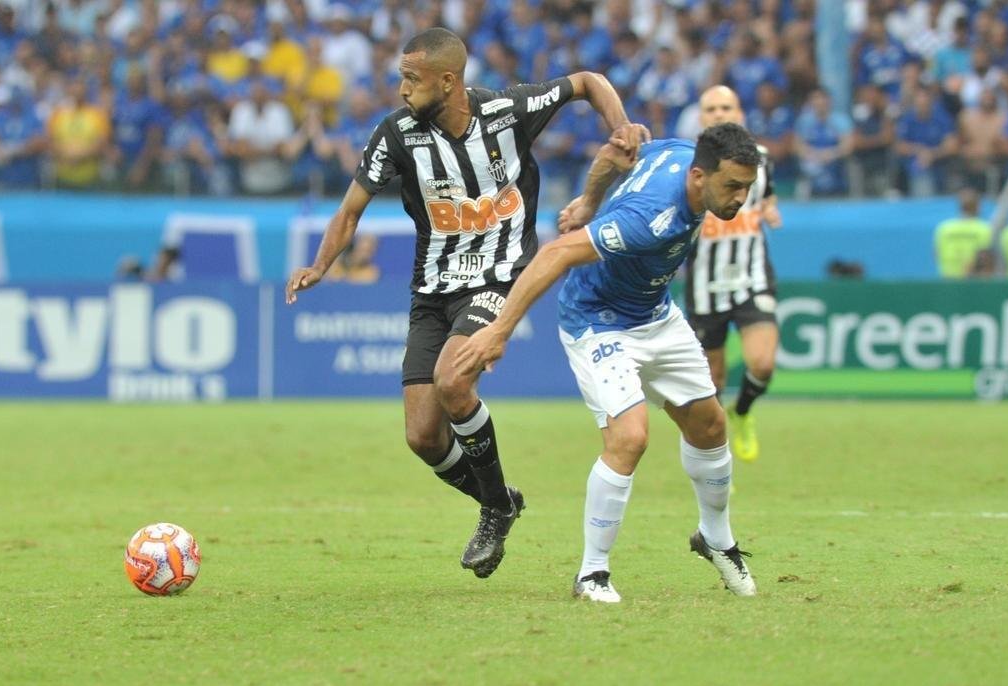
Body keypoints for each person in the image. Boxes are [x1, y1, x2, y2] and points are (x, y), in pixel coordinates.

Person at [285, 28, 646, 579]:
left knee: (453, 381)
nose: (403, 89)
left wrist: (619, 127)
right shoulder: (396, 134)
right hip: (432, 291)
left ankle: (494, 511)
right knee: (422, 436)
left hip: (499, 277)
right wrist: (320, 264)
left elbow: (588, 81)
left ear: (448, 81)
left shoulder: (507, 112)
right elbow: (350, 209)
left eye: (413, 79)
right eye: (401, 78)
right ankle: (500, 500)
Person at [454, 124, 762, 603]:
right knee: (629, 438)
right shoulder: (651, 217)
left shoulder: (681, 151)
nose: (741, 198)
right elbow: (556, 253)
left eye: (746, 187)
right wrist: (499, 331)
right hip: (598, 321)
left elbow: (617, 152)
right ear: (699, 176)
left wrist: (588, 201)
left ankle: (716, 539)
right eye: (733, 186)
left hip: (656, 314)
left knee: (710, 426)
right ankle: (592, 573)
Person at [682, 86, 779, 464]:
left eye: (726, 106)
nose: (719, 113)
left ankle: (743, 411)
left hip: (752, 278)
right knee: (713, 381)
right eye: (711, 108)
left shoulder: (762, 160)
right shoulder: (687, 164)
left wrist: (770, 209)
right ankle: (717, 460)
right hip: (705, 285)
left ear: (739, 113)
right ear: (700, 117)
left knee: (763, 363)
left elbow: (767, 195)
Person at [935, 188, 993, 279]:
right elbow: (984, 258)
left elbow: (937, 253)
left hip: (948, 278)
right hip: (972, 281)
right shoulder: (982, 228)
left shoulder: (944, 228)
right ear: (978, 206)